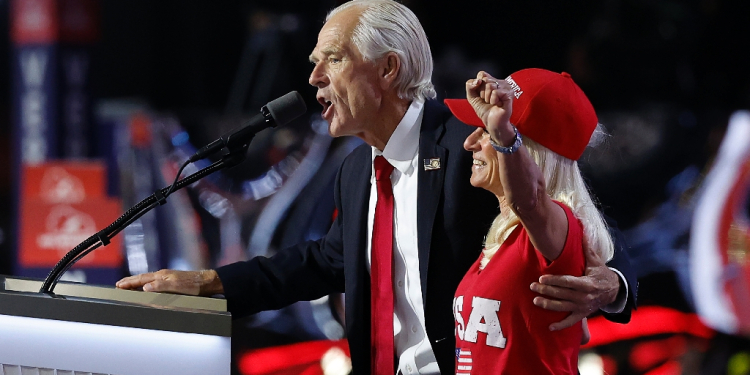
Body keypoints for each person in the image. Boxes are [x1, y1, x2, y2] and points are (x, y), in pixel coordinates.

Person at [116, 1, 636, 373]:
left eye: (334, 59)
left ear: (388, 69)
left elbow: (570, 208)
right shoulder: (354, 171)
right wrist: (209, 284)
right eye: (316, 61)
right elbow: (325, 262)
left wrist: (613, 282)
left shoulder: (470, 145)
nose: (315, 76)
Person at [445, 68, 615, 374]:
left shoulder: (560, 226)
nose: (470, 143)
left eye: (483, 131)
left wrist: (501, 132)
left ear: (530, 150)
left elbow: (531, 200)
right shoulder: (507, 241)